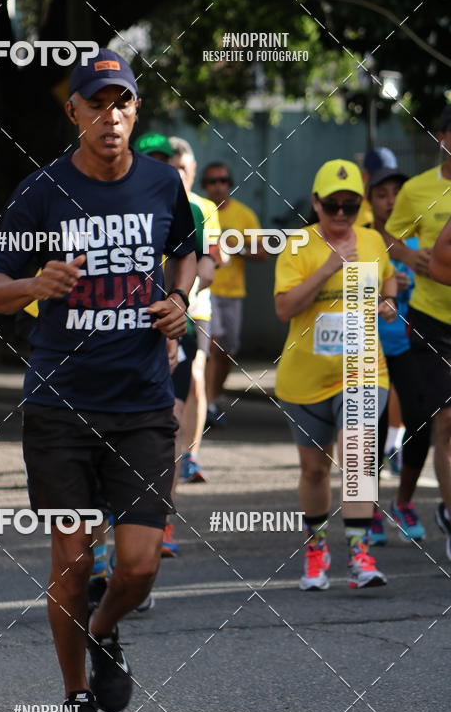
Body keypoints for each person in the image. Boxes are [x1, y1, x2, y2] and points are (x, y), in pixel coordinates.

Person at [0, 48, 197, 712]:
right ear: (74, 111)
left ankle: (103, 634)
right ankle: (74, 699)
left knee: (137, 566)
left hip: (141, 403)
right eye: (96, 103)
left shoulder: (164, 185)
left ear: (136, 112)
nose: (111, 116)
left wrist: (180, 300)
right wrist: (35, 286)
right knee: (71, 564)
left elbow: (188, 247)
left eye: (123, 102)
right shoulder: (42, 192)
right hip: (61, 404)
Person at [274, 159, 396, 591]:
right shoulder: (297, 245)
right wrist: (328, 268)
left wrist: (387, 301)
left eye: (350, 205)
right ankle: (316, 547)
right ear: (316, 203)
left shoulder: (371, 240)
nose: (342, 214)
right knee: (314, 470)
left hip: (363, 368)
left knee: (359, 456)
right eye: (332, 206)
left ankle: (361, 555)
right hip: (304, 375)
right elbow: (284, 308)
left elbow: (389, 284)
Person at [385, 105, 451, 561]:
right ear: (444, 137)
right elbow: (388, 234)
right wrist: (410, 260)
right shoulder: (419, 189)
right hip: (433, 317)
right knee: (446, 420)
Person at [364, 167, 431, 544]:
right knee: (369, 426)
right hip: (369, 345)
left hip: (410, 343)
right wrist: (382, 289)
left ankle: (403, 502)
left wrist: (412, 280)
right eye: (382, 193)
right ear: (370, 199)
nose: (390, 201)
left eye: (396, 194)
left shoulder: (420, 241)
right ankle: (369, 509)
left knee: (421, 418)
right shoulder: (361, 238)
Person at [168, 136, 221, 482]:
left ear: (193, 171)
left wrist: (205, 269)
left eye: (183, 170)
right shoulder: (149, 204)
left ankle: (192, 455)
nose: (178, 176)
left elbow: (212, 259)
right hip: (161, 312)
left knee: (197, 379)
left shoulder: (204, 209)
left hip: (196, 310)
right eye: (171, 170)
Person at [201, 161, 266, 424]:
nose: (218, 186)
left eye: (223, 181)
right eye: (212, 181)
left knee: (228, 351)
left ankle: (213, 400)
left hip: (233, 292)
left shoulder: (244, 214)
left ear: (229, 184)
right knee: (213, 346)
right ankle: (205, 406)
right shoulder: (199, 210)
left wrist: (235, 250)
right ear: (204, 186)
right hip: (206, 289)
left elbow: (262, 252)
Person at [356, 148, 399, 228]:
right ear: (365, 176)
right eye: (380, 176)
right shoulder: (353, 211)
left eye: (396, 193)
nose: (391, 201)